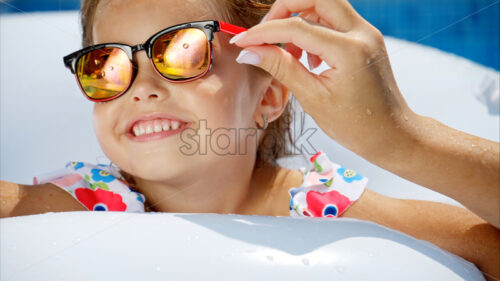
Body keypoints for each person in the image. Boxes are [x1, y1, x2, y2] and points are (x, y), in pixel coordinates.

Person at [0, 0, 498, 279]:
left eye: (183, 50)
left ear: (270, 95)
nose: (142, 87)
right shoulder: (81, 204)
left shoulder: (322, 208)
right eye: (106, 65)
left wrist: (402, 141)